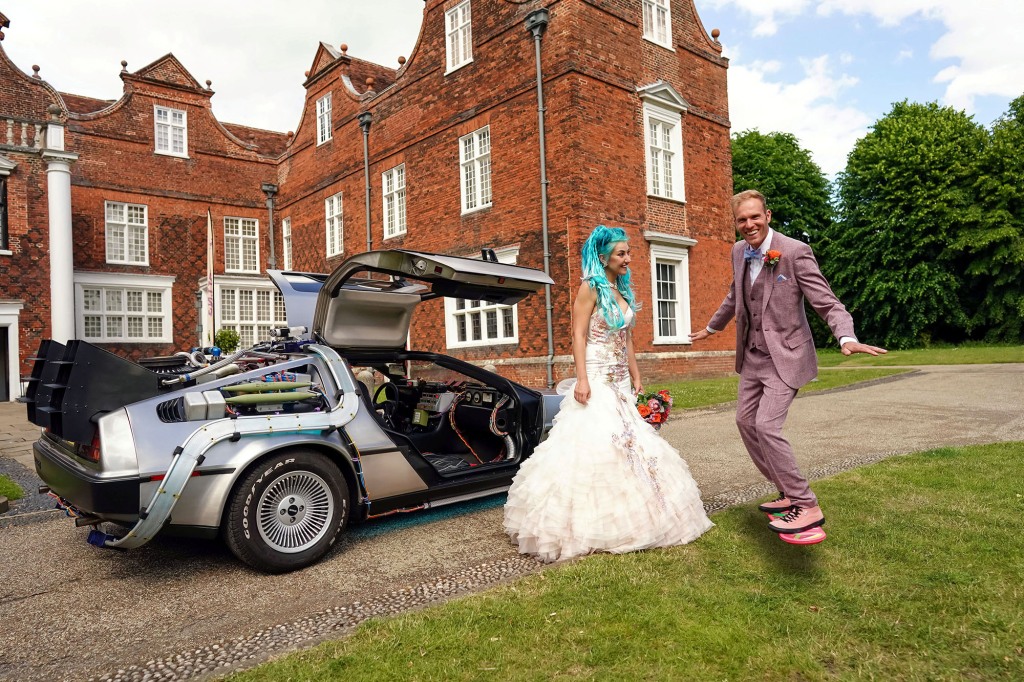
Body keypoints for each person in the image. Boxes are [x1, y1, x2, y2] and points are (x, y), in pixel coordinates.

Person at [503, 225, 713, 563]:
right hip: (597, 375)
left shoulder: (621, 289)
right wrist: (582, 380)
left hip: (619, 380)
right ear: (603, 257)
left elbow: (627, 338)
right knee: (598, 441)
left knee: (632, 439)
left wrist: (636, 374)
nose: (628, 258)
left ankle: (644, 512)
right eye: (621, 254)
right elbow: (578, 334)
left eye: (629, 252)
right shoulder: (590, 289)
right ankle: (583, 523)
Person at [689, 189, 886, 536]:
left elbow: (827, 302)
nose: (749, 225)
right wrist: (710, 328)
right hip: (752, 356)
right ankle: (786, 491)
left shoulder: (795, 252)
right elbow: (735, 296)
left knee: (766, 425)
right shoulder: (738, 252)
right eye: (741, 220)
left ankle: (805, 504)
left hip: (786, 356)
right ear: (736, 224)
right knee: (745, 422)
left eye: (754, 217)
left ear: (768, 215)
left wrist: (846, 337)